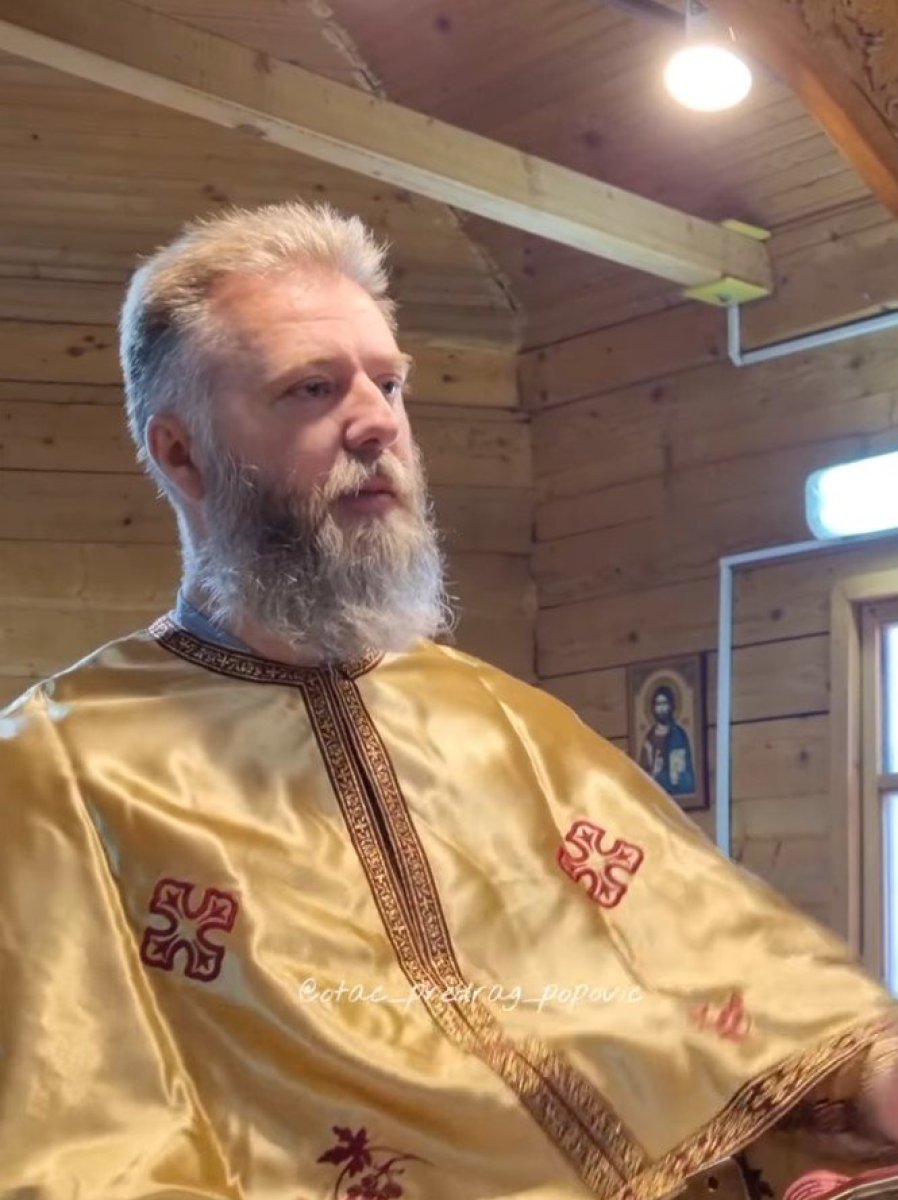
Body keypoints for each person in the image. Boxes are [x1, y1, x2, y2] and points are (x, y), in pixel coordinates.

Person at [1, 201, 898, 1200]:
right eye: (312, 388)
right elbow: (75, 1139)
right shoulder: (57, 769)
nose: (377, 421)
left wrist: (874, 1075)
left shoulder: (506, 724)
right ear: (181, 454)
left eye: (388, 383)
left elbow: (736, 976)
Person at [639, 684, 696, 797]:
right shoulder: (649, 738)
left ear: (671, 706)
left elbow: (681, 775)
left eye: (664, 703)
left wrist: (669, 775)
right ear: (653, 708)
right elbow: (642, 775)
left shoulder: (678, 735)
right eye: (657, 704)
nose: (661, 708)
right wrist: (653, 772)